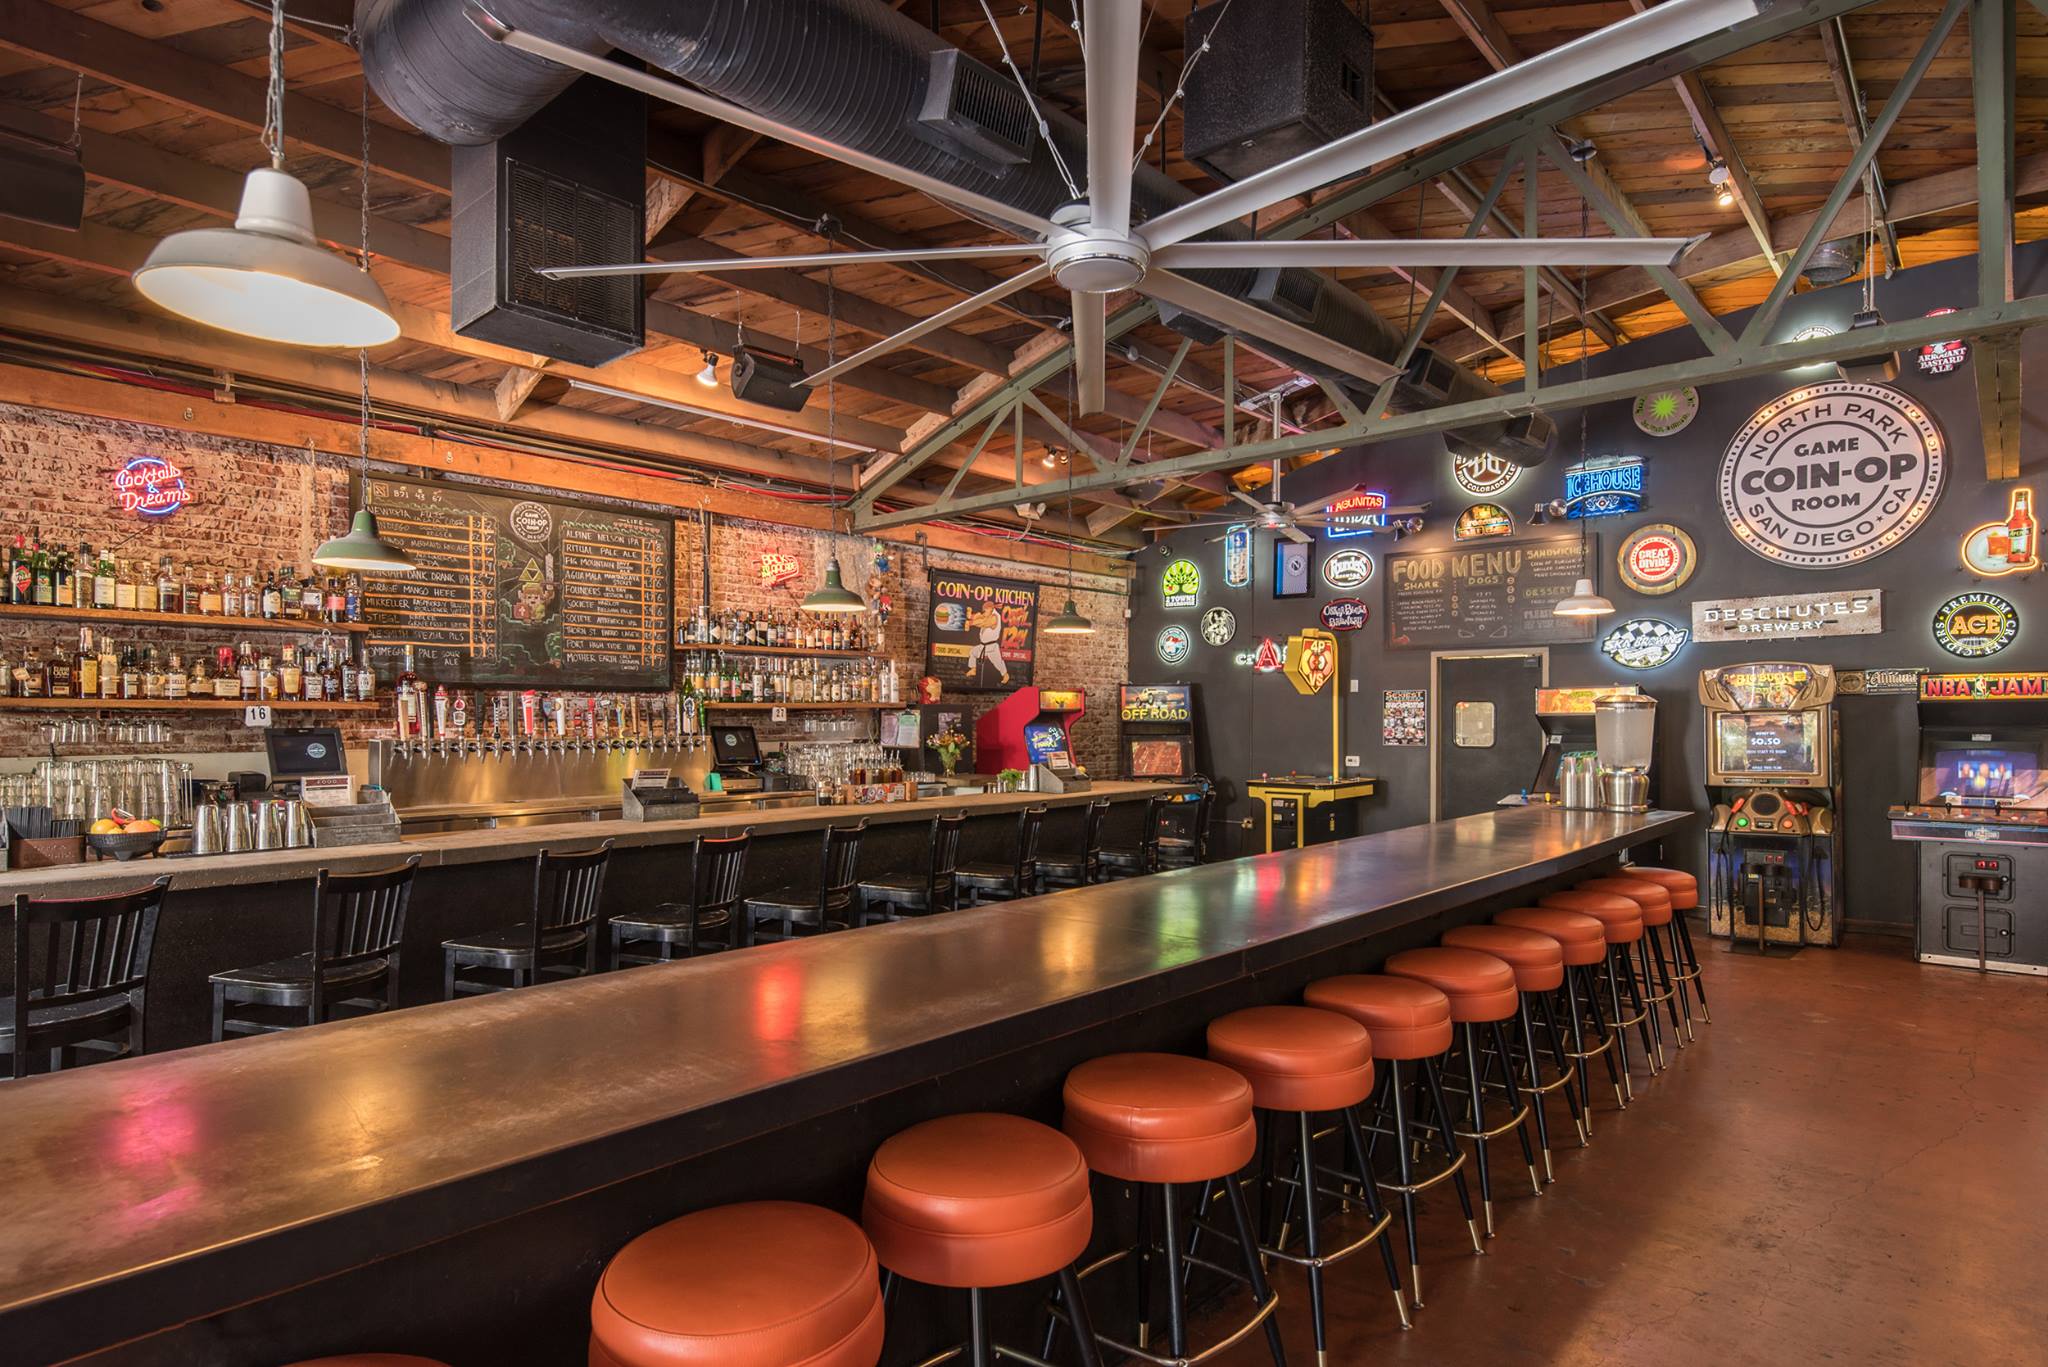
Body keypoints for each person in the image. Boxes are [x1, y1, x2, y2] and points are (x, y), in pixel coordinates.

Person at [964, 601, 1010, 685]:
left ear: (990, 609)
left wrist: (970, 623)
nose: (984, 612)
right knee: (973, 652)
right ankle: (973, 669)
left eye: (985, 610)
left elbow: (984, 623)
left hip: (991, 647)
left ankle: (1005, 675)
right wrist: (970, 616)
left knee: (998, 663)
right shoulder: (988, 614)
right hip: (983, 645)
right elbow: (980, 617)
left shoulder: (995, 617)